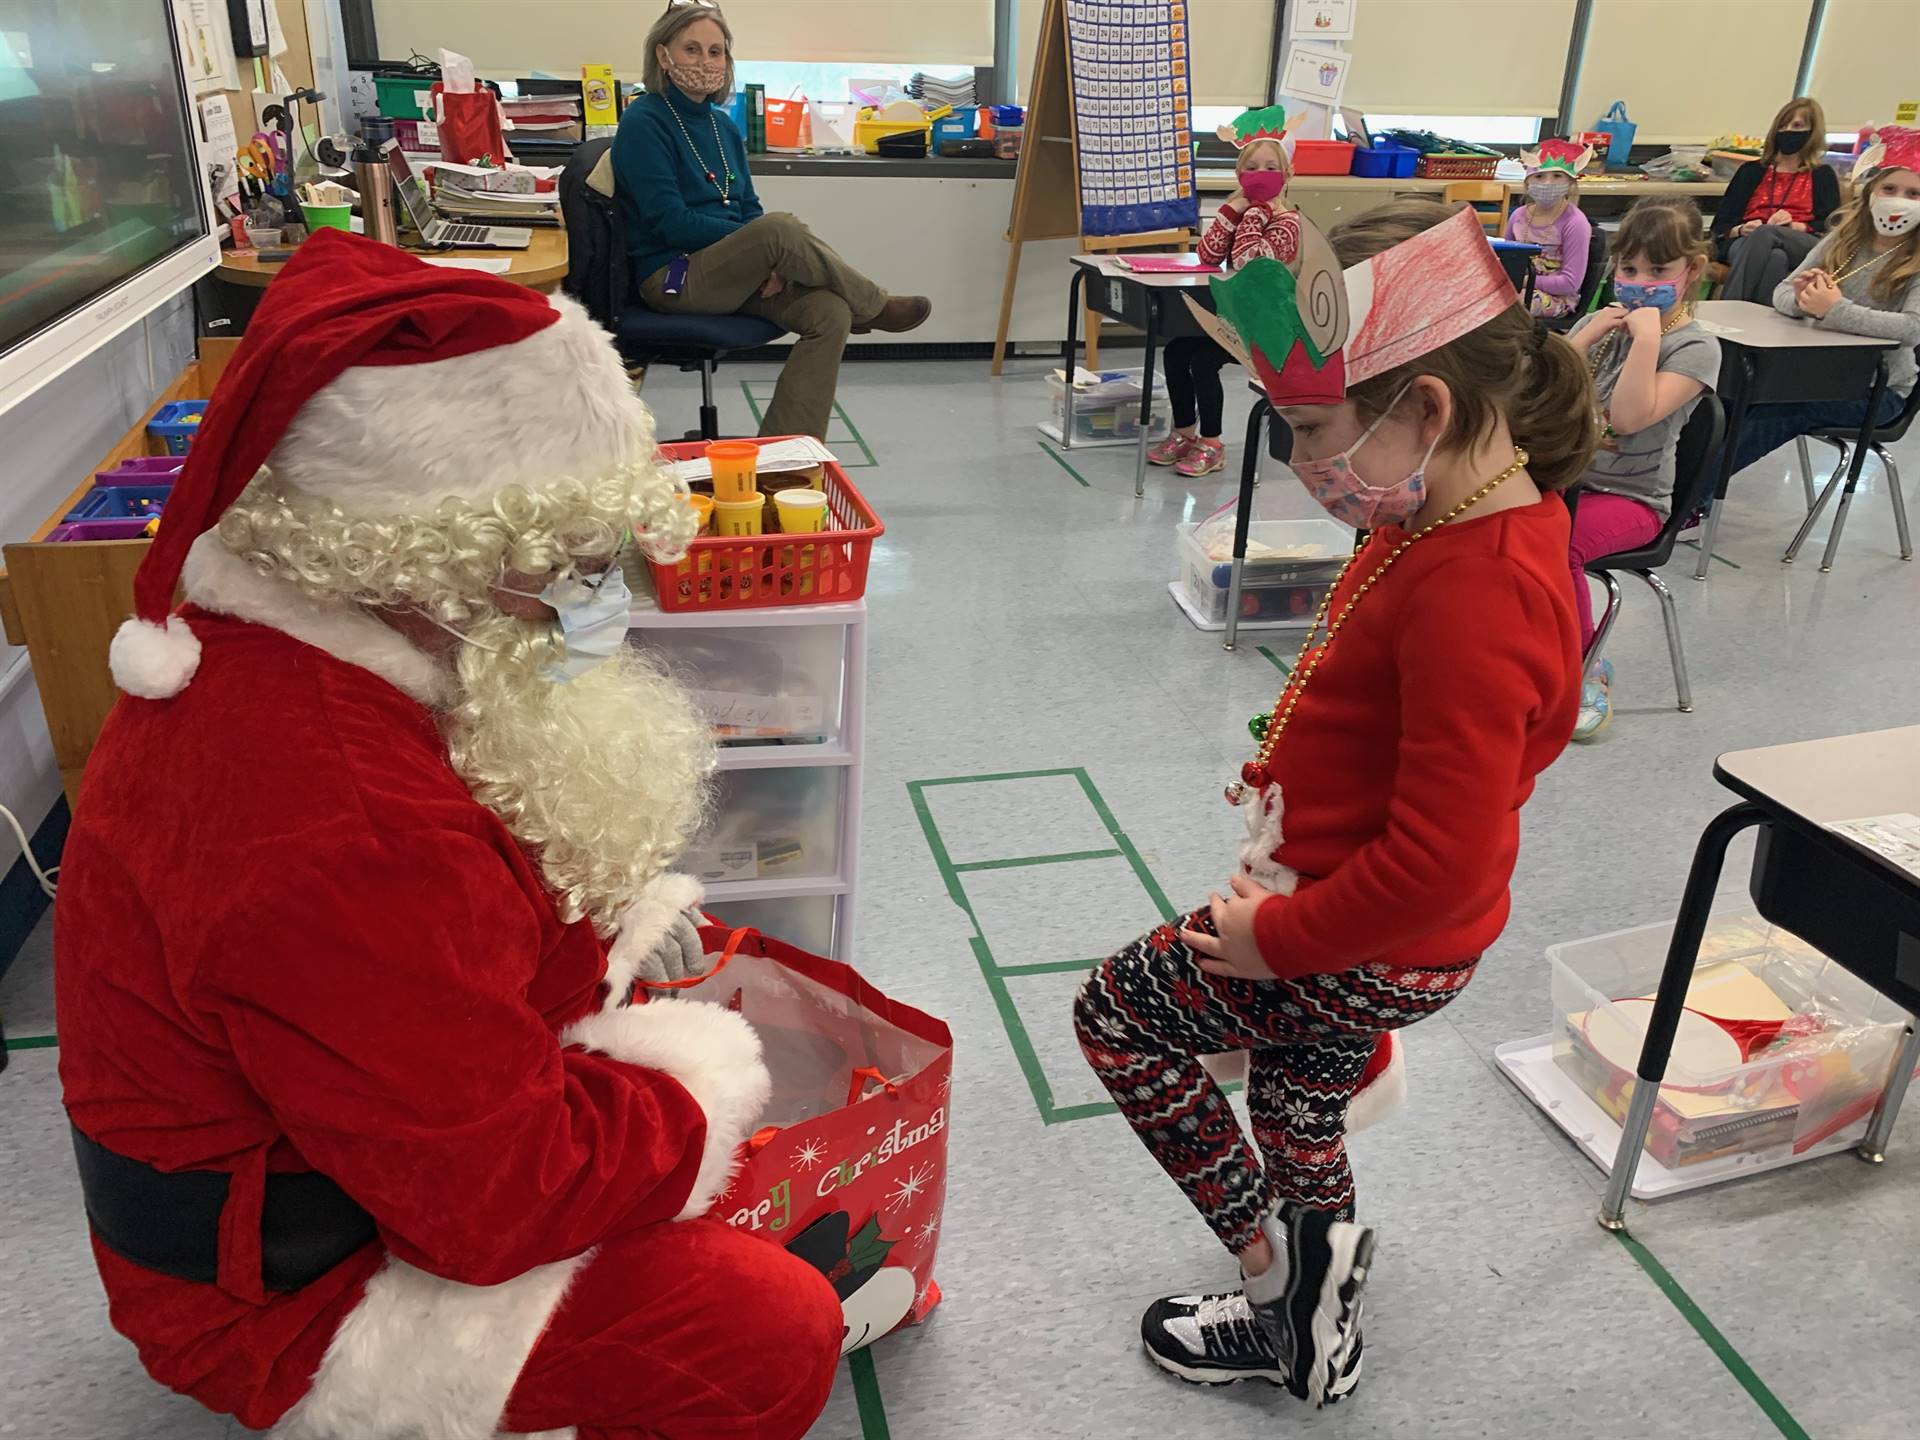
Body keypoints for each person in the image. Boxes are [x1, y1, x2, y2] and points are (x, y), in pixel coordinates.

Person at [57, 231, 843, 1440]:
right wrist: (700, 1094)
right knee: (757, 1332)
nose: (593, 600)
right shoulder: (332, 812)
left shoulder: (321, 650)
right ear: (439, 553)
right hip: (289, 1289)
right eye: (567, 565)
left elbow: (444, 945)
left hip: (339, 1152)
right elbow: (487, 1206)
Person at [1074, 201, 1586, 1406]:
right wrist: (1300, 783)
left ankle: (1273, 1277)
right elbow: (1440, 724)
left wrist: (1282, 942)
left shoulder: (1479, 583)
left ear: (1429, 410)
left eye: (1312, 428)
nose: (1303, 460)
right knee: (1300, 1100)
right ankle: (1314, 1323)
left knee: (1115, 1014)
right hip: (1365, 915)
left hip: (1366, 930)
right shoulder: (1445, 510)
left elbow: (1447, 861)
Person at [612, 2, 931, 439]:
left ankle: (787, 456)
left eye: (715, 52)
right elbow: (671, 222)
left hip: (731, 274)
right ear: (663, 56)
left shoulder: (723, 127)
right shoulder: (644, 120)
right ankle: (874, 304)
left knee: (830, 312)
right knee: (779, 229)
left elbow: (747, 208)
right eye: (691, 49)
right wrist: (761, 246)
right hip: (674, 276)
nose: (705, 62)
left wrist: (770, 260)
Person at [1562, 201, 1721, 742]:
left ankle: (1586, 671)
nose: (1639, 284)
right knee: (1495, 524)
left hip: (1633, 500)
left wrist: (1648, 340)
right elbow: (1536, 398)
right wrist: (1580, 340)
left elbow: (1628, 418)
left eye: (1658, 271)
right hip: (1572, 480)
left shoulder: (1695, 346)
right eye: (1629, 270)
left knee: (1557, 544)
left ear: (1691, 271)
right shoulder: (1600, 325)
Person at [1728, 127, 1920, 476]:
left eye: (1913, 193)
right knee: (1732, 394)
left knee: (1781, 411)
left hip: (1879, 392)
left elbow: (1912, 329)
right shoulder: (1843, 241)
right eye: (1889, 189)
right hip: (1817, 373)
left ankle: (1688, 506)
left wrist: (1833, 310)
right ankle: (1681, 495)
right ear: (1871, 193)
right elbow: (1782, 292)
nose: (1898, 200)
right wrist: (1804, 300)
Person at [1151, 106, 1303, 478]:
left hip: (1268, 325)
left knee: (1203, 361)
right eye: (1252, 168)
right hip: (1234, 314)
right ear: (1239, 174)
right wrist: (1232, 209)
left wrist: (1254, 215)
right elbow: (1208, 255)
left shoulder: (1288, 222)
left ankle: (1213, 444)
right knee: (1175, 351)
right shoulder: (1241, 210)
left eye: (1271, 167)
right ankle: (1185, 432)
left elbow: (1250, 261)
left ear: (1287, 174)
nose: (1261, 175)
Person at [1710, 97, 1842, 303]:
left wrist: (1795, 226)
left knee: (1767, 234)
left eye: (1797, 125)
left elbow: (1832, 227)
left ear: (1812, 131)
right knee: (1775, 259)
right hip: (1746, 242)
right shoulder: (1750, 171)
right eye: (1783, 125)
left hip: (1803, 243)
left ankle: (1729, 309)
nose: (1788, 131)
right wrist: (1741, 229)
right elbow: (1720, 225)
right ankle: (1761, 328)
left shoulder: (1822, 175)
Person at [1505, 139, 1594, 321]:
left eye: (1557, 176)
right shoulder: (1519, 216)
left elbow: (1570, 283)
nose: (1547, 183)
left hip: (1556, 299)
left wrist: (1522, 281)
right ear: (1528, 181)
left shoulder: (1575, 223)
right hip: (1517, 288)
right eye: (1539, 177)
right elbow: (1505, 261)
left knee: (1506, 305)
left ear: (1570, 182)